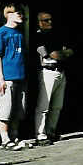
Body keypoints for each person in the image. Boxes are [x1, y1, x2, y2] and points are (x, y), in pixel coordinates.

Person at [33, 11, 73, 145]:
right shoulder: (38, 37)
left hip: (60, 71)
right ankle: (40, 134)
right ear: (39, 22)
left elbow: (70, 51)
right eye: (46, 20)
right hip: (47, 72)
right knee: (44, 105)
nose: (49, 22)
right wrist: (62, 53)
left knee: (57, 105)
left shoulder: (56, 35)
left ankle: (51, 131)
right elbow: (52, 54)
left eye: (50, 20)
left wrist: (61, 54)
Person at [0, 3, 27, 150]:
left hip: (21, 76)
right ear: (9, 14)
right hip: (8, 77)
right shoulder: (1, 32)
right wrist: (0, 78)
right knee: (5, 109)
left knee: (18, 109)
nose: (21, 15)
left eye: (21, 13)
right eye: (17, 12)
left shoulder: (19, 33)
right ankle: (5, 139)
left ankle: (14, 136)